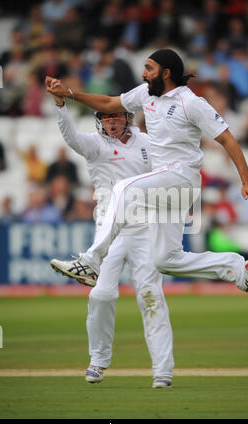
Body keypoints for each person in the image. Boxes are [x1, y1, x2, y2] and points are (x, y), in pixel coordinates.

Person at [45, 48, 248, 314]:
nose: (143, 73)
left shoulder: (191, 103)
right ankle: (239, 269)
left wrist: (247, 181)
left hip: (181, 176)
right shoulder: (145, 94)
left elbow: (227, 139)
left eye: (148, 69)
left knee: (122, 189)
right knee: (167, 260)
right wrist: (68, 94)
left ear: (166, 73)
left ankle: (90, 262)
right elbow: (108, 104)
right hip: (165, 184)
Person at [48, 91, 174, 389]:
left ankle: (162, 371)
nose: (111, 121)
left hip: (145, 231)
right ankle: (98, 361)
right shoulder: (94, 145)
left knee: (151, 297)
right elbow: (69, 136)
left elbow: (165, 172)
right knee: (101, 296)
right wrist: (60, 105)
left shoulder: (146, 142)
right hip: (110, 233)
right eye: (105, 117)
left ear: (127, 117)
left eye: (115, 116)